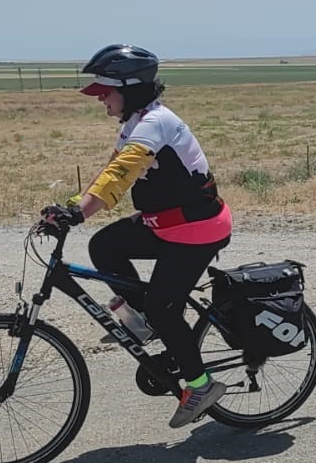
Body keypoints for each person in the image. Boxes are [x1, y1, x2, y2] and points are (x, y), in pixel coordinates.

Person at [40, 44, 232, 428]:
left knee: (165, 308)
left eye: (105, 92)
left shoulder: (154, 124)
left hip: (197, 230)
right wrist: (73, 204)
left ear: (130, 88)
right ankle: (145, 320)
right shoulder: (135, 122)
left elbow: (121, 174)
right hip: (165, 225)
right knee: (104, 246)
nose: (101, 100)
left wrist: (80, 214)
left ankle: (200, 384)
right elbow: (108, 170)